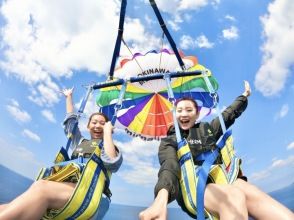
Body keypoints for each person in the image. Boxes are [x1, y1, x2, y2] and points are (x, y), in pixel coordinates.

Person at [139, 81, 293, 220]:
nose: (184, 114)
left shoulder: (208, 129)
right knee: (233, 196)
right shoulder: (170, 141)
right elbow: (169, 166)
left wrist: (244, 96)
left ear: (197, 114)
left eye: (188, 110)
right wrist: (161, 198)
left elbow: (228, 114)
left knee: (252, 193)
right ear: (175, 115)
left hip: (222, 177)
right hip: (193, 187)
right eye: (179, 111)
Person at [0, 87, 122, 220]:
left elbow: (112, 163)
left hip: (86, 194)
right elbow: (71, 124)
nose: (98, 125)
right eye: (94, 122)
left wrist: (108, 133)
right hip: (65, 188)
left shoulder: (108, 146)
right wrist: (68, 97)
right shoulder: (80, 142)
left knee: (41, 188)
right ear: (88, 126)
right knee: (6, 207)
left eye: (102, 124)